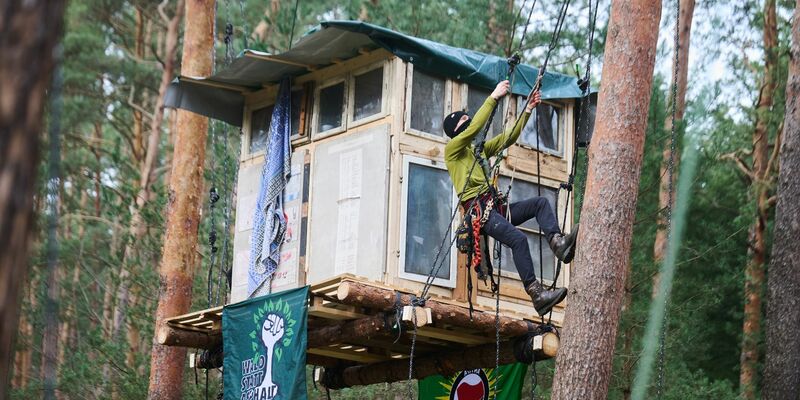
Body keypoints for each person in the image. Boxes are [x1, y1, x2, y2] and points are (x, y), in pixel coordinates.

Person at [442, 80, 578, 316]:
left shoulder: (477, 151)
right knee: (519, 239)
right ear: (455, 130)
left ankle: (557, 243)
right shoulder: (453, 150)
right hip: (480, 212)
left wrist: (527, 110)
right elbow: (474, 128)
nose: (469, 121)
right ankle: (536, 294)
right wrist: (493, 97)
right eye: (464, 120)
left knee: (540, 204)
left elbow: (508, 137)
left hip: (494, 207)